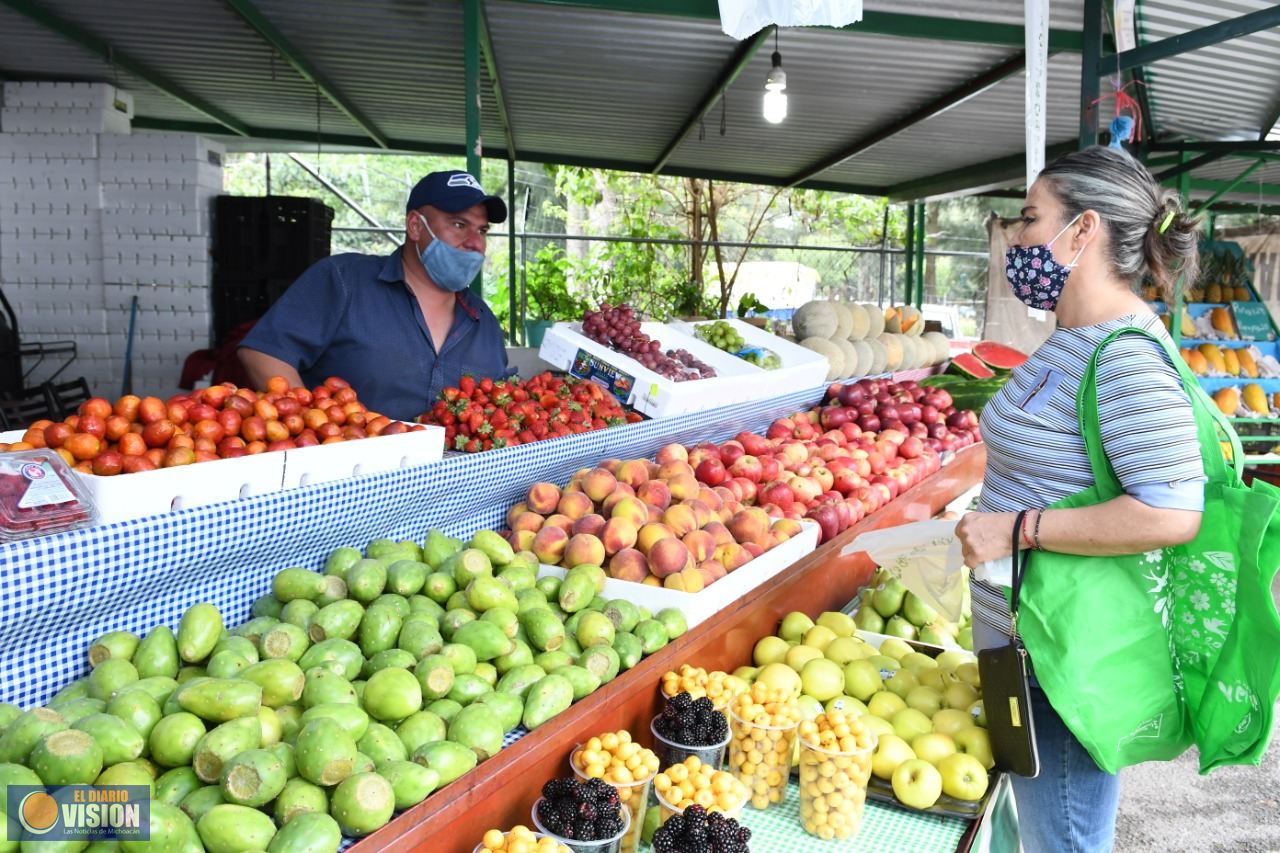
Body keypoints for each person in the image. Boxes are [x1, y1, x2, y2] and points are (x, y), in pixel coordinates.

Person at [955, 145, 1205, 853]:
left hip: (1063, 661)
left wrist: (1017, 529)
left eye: (1033, 218)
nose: (1018, 237)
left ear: (1083, 230)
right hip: (1024, 647)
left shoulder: (1124, 355)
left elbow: (1171, 512)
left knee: (1065, 840)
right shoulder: (1074, 338)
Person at [238, 170, 512, 422]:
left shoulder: (483, 322)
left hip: (457, 475)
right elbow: (264, 354)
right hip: (346, 470)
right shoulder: (343, 281)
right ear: (415, 226)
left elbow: (499, 408)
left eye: (482, 230)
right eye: (459, 224)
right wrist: (317, 427)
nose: (475, 243)